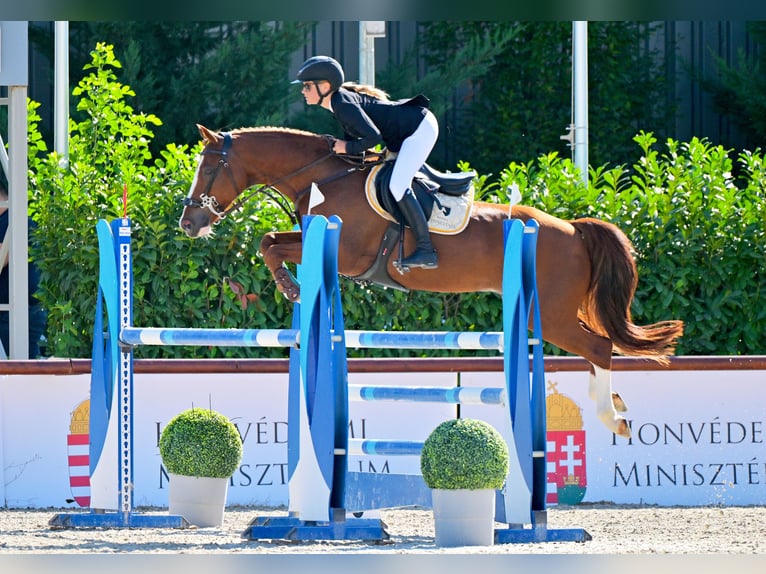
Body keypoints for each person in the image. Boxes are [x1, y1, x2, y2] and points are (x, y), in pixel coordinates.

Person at [294, 55, 439, 269]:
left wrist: (346, 147)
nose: (303, 91)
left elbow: (373, 138)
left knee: (398, 186)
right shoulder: (338, 103)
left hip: (419, 129)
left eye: (307, 86)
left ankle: (426, 250)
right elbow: (359, 143)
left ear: (324, 86)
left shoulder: (342, 104)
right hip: (409, 130)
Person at [0, 181, 46, 358]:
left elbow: (3, 257)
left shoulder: (21, 221)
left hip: (21, 314)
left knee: (24, 372)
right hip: (9, 314)